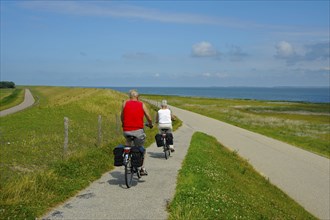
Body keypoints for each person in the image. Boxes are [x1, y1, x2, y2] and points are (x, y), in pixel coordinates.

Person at [121, 89, 153, 175]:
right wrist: (150, 124)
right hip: (138, 131)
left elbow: (122, 116)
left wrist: (123, 124)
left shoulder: (125, 103)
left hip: (126, 130)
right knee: (141, 148)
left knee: (128, 142)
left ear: (130, 97)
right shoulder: (142, 104)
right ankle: (142, 168)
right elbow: (149, 118)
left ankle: (126, 156)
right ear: (137, 97)